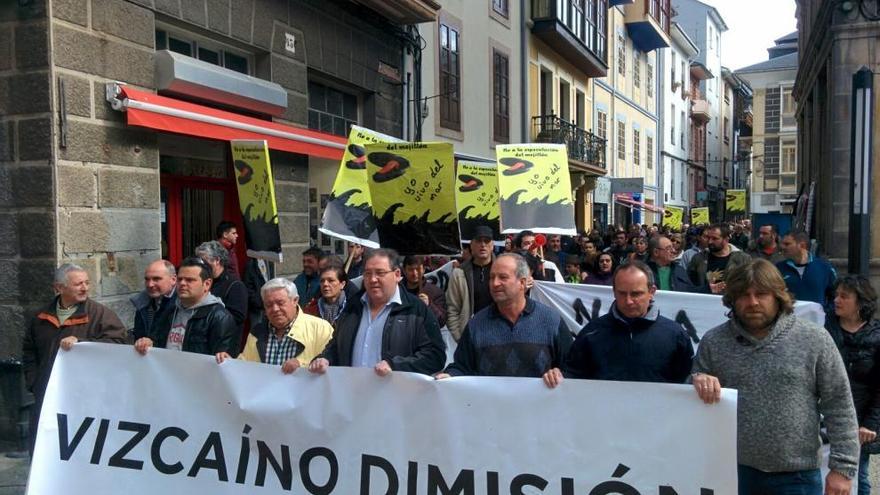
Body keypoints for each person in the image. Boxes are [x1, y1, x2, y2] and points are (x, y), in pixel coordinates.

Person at [692, 259, 859, 495]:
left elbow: (839, 404)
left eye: (762, 294)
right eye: (743, 295)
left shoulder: (814, 339)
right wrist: (697, 379)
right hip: (731, 473)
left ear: (778, 295)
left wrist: (843, 468)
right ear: (732, 298)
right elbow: (691, 400)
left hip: (797, 477)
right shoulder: (714, 342)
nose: (753, 302)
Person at [22, 263, 127, 453]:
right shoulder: (40, 317)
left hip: (86, 398)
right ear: (59, 288)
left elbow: (118, 343)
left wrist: (81, 342)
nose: (85, 288)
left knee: (81, 448)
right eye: (78, 284)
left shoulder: (100, 314)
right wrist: (35, 383)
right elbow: (29, 352)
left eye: (87, 283)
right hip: (48, 395)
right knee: (45, 448)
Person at [542, 261, 693, 387]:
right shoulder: (592, 332)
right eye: (622, 293)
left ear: (651, 291)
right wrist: (558, 376)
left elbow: (686, 381)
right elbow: (573, 375)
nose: (628, 301)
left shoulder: (675, 335)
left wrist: (700, 379)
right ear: (613, 291)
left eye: (636, 294)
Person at [308, 248, 446, 376]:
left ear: (397, 274)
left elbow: (435, 356)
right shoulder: (352, 307)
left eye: (380, 273)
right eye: (368, 273)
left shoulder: (416, 310)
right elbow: (337, 346)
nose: (373, 279)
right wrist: (325, 359)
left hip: (397, 397)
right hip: (353, 395)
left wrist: (396, 365)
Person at [436, 254, 572, 378]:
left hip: (541, 404)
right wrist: (450, 375)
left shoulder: (551, 321)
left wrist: (559, 374)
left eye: (503, 277)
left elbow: (572, 368)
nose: (495, 284)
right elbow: (462, 367)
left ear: (522, 283)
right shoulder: (476, 324)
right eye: (491, 277)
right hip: (490, 404)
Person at [824, 275, 880, 495]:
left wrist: (871, 425)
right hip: (826, 416)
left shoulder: (877, 337)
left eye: (844, 296)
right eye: (836, 295)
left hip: (861, 420)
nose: (837, 300)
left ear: (860, 302)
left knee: (859, 476)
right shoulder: (825, 329)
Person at [217, 278, 333, 373]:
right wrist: (229, 363)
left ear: (295, 300)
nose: (275, 309)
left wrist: (302, 367)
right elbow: (246, 366)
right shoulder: (258, 332)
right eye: (269, 305)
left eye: (280, 303)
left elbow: (332, 365)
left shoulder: (320, 328)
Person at [135, 257, 240, 357]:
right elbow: (156, 340)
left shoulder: (220, 317)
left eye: (190, 280)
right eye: (180, 279)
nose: (182, 283)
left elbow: (223, 360)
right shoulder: (170, 310)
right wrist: (148, 342)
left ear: (207, 284)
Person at [446, 225, 496, 342]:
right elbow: (452, 308)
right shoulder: (459, 273)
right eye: (479, 241)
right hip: (471, 337)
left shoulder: (504, 270)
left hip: (499, 334)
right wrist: (460, 337)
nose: (483, 245)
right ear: (471, 245)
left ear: (492, 245)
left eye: (487, 241)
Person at [196, 241, 248, 337]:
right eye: (198, 261)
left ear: (217, 260)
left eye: (204, 261)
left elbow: (236, 318)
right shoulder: (201, 282)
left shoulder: (235, 285)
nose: (200, 265)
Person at [777, 230, 837, 309]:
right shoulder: (778, 268)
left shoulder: (824, 267)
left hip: (817, 319)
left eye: (787, 244)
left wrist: (827, 312)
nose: (782, 247)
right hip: (788, 318)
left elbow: (835, 294)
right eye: (782, 244)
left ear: (802, 246)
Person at [687, 223, 751, 294]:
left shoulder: (742, 259)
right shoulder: (699, 258)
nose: (710, 241)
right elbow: (689, 284)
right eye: (708, 238)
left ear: (726, 239)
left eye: (715, 238)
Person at [130, 259, 177, 341]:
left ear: (173, 279)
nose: (150, 284)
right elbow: (139, 338)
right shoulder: (142, 304)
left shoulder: (183, 304)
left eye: (156, 279)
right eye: (147, 279)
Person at [401, 255, 447, 328]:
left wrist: (429, 305)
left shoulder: (436, 292)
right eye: (410, 269)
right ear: (404, 270)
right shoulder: (396, 290)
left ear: (424, 269)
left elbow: (441, 321)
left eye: (418, 269)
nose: (415, 273)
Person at [243, 257, 275, 327]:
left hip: (270, 304)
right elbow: (248, 287)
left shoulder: (269, 262)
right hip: (258, 309)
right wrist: (258, 302)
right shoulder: (251, 264)